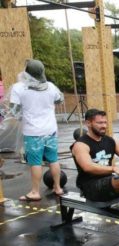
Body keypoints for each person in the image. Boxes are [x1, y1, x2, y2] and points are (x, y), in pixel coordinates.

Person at [9, 59, 64, 201]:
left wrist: (23, 116)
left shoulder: (18, 88)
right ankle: (58, 187)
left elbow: (14, 111)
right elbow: (60, 100)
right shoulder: (51, 86)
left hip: (32, 131)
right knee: (53, 159)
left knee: (35, 162)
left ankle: (35, 192)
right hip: (50, 129)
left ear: (26, 72)